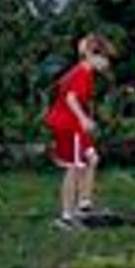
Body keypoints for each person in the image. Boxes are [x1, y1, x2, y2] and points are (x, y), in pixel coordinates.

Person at [44, 33, 115, 229]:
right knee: (74, 166)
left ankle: (84, 205)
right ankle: (66, 216)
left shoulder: (86, 73)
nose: (107, 62)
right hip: (68, 125)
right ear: (91, 55)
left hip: (75, 125)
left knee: (92, 159)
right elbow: (71, 98)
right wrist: (84, 119)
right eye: (104, 57)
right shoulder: (81, 73)